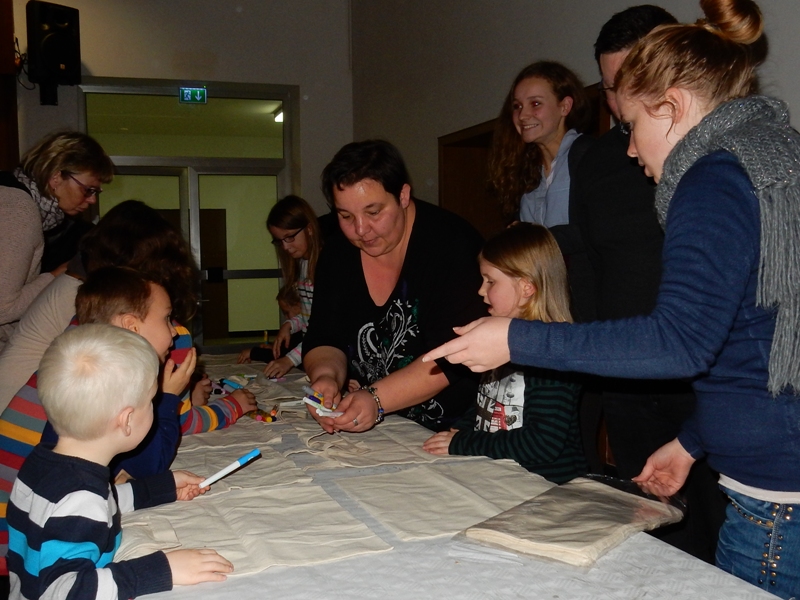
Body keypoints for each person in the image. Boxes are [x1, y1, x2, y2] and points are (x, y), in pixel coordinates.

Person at [423, 0, 800, 596]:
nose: (628, 149)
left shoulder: (713, 176)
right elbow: (757, 338)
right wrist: (691, 442)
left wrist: (518, 337)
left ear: (671, 107)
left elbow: (679, 341)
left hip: (777, 496)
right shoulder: (773, 154)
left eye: (631, 126)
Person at [570, 4, 726, 563]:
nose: (617, 103)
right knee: (651, 529)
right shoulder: (595, 159)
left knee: (722, 529)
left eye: (629, 84)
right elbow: (588, 264)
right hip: (628, 378)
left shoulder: (717, 165)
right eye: (610, 88)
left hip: (703, 381)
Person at [6, 324, 232, 599]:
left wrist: (162, 488)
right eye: (152, 401)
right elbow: (66, 591)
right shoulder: (80, 496)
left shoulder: (45, 462)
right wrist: (164, 569)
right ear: (126, 420)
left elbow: (101, 502)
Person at [303, 139, 486, 434]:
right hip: (379, 422)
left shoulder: (452, 246)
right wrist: (325, 378)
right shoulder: (338, 253)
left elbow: (452, 356)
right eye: (345, 216)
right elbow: (325, 335)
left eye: (373, 212)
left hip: (453, 429)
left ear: (403, 195)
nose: (360, 230)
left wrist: (376, 399)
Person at [422, 224, 585, 483]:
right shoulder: (499, 341)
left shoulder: (551, 359)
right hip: (500, 474)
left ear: (526, 287)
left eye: (490, 281)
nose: (480, 290)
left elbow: (542, 444)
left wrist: (464, 442)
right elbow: (486, 405)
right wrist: (459, 430)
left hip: (545, 485)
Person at [0, 131, 113, 351]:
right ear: (56, 177)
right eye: (88, 190)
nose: (92, 200)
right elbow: (3, 307)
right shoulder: (19, 210)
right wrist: (57, 275)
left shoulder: (10, 196)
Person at [237, 195, 322, 378]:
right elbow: (309, 317)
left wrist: (290, 359)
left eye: (289, 237)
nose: (285, 247)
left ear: (309, 229)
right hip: (313, 354)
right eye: (279, 241)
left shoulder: (326, 266)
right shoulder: (303, 265)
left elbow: (323, 328)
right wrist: (289, 325)